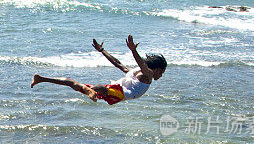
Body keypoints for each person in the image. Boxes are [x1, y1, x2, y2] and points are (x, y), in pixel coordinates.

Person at [31, 35, 167, 104]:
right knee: (75, 84)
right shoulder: (147, 74)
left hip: (115, 92)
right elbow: (121, 63)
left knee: (90, 87)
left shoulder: (139, 73)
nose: (161, 76)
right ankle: (41, 79)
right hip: (118, 93)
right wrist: (132, 51)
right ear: (156, 69)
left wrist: (102, 50)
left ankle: (92, 91)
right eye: (161, 72)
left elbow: (118, 64)